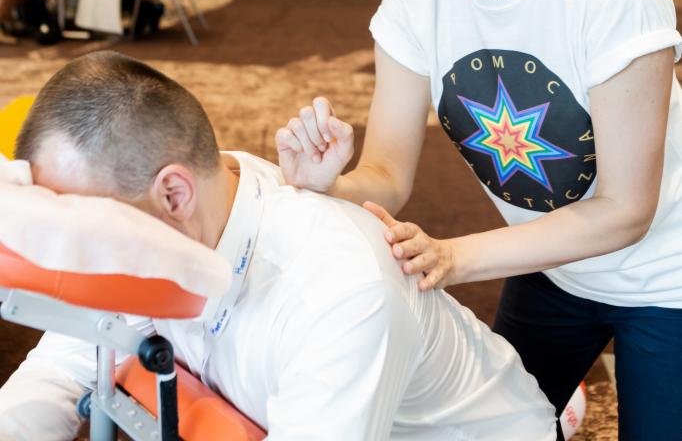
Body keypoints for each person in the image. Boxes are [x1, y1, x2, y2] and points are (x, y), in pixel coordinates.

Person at [276, 0, 682, 441]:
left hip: (667, 279)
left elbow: (625, 211)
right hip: (547, 262)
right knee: (493, 431)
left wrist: (457, 257)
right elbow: (388, 175)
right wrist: (334, 186)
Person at [0, 51, 555, 441]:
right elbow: (61, 367)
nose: (75, 246)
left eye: (82, 222)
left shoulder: (339, 288)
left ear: (174, 192)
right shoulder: (170, 213)